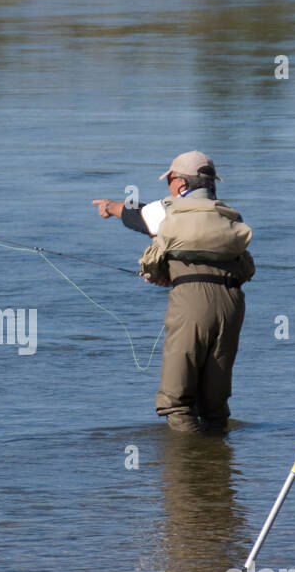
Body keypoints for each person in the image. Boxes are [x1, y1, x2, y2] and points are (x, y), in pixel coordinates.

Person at [94, 151, 254, 434]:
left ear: (180, 184)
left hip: (191, 305)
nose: (168, 185)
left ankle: (185, 467)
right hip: (232, 305)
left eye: (169, 179)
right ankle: (218, 468)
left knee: (176, 399)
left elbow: (135, 215)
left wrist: (110, 206)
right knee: (215, 400)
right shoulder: (231, 215)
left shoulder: (167, 210)